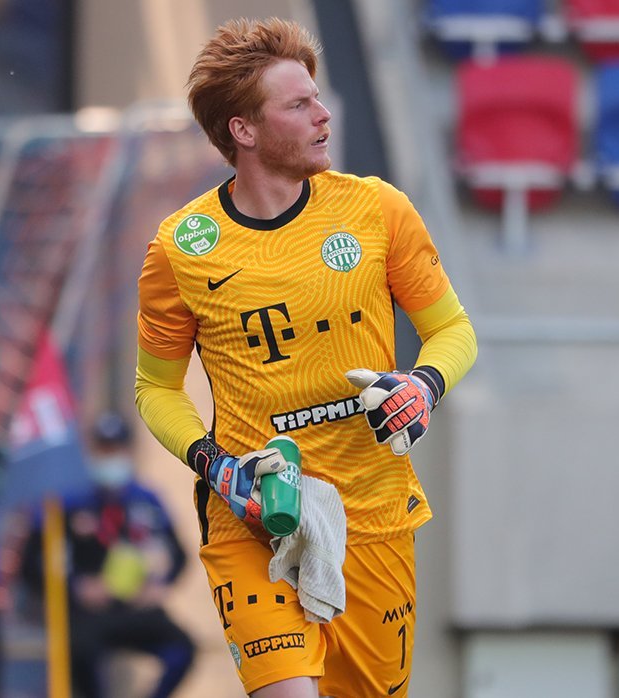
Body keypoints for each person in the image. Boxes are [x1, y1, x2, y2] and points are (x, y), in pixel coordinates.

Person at [133, 17, 478, 698]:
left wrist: (423, 386)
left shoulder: (378, 209)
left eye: (317, 98)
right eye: (299, 104)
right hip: (256, 516)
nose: (324, 114)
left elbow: (453, 330)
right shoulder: (181, 248)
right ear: (244, 130)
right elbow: (156, 388)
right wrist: (215, 465)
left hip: (373, 517)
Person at [21, 412, 194, 698]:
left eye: (116, 450)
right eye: (103, 450)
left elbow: (179, 555)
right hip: (89, 613)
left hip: (136, 608)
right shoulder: (66, 504)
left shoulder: (146, 500)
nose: (110, 458)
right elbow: (31, 563)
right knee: (79, 649)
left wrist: (159, 586)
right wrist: (76, 588)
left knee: (183, 648)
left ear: (128, 452)